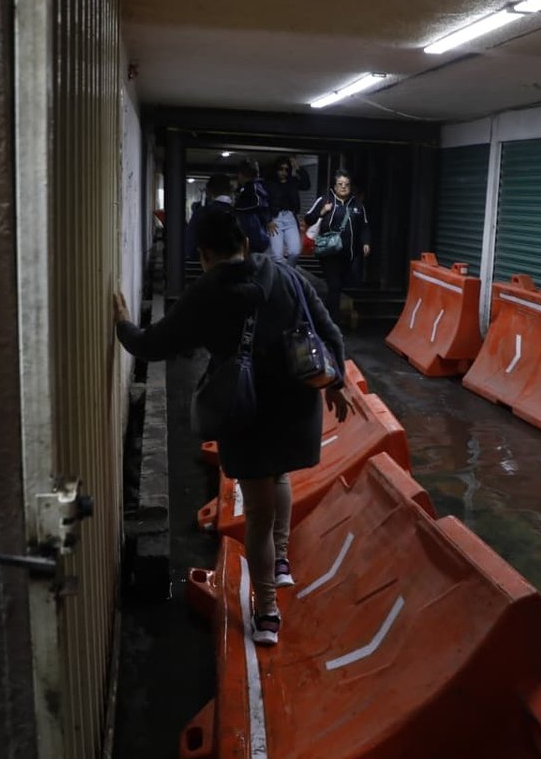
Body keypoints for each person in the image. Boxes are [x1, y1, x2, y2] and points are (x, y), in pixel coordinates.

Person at [112, 208, 348, 646]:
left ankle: (267, 613)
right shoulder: (284, 274)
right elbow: (327, 328)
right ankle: (280, 562)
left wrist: (123, 321)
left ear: (203, 253)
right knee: (280, 476)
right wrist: (338, 383)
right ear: (244, 243)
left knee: (257, 513)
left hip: (246, 409)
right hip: (298, 404)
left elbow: (152, 345)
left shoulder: (206, 293)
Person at [303, 169, 371, 319]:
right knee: (334, 285)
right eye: (340, 184)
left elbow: (364, 226)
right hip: (329, 252)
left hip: (349, 253)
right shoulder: (325, 200)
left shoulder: (358, 205)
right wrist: (322, 211)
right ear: (334, 186)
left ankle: (325, 315)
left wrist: (366, 242)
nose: (343, 187)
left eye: (346, 184)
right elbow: (308, 219)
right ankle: (332, 321)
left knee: (340, 285)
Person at [263, 155, 311, 265]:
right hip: (275, 219)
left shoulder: (292, 181)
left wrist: (297, 167)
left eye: (286, 169)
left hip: (290, 218)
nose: (283, 172)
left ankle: (287, 274)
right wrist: (268, 220)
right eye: (281, 169)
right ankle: (281, 279)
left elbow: (306, 184)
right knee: (277, 255)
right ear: (276, 169)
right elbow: (263, 203)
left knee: (295, 252)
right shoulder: (269, 183)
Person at [185, 174, 234, 261]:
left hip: (208, 267)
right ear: (230, 190)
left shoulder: (200, 214)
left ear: (208, 191)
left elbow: (190, 246)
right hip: (236, 268)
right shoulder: (238, 213)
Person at [233, 161, 272, 254]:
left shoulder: (252, 187)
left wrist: (236, 209)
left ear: (241, 174)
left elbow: (258, 204)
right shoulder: (252, 187)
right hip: (255, 233)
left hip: (253, 230)